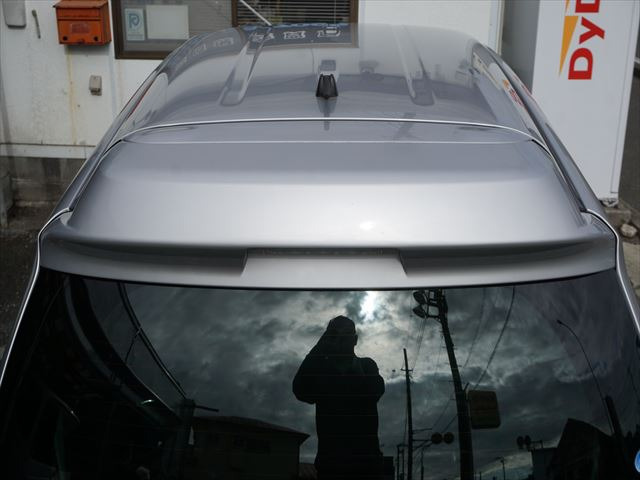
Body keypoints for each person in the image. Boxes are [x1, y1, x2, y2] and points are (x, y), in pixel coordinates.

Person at [293, 316, 385, 480]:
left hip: (366, 467)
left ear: (355, 339)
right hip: (331, 467)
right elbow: (300, 389)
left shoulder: (367, 365)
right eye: (335, 334)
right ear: (327, 338)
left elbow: (374, 391)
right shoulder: (322, 372)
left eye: (347, 334)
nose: (341, 338)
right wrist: (320, 347)